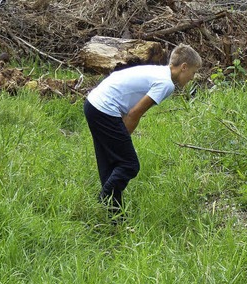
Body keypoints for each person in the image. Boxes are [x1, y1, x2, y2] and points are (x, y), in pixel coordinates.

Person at [84, 44, 202, 221]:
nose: (192, 78)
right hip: (104, 109)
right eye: (192, 73)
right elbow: (135, 113)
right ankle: (104, 197)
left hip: (93, 103)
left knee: (110, 164)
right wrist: (123, 140)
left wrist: (119, 141)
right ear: (184, 67)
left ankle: (116, 218)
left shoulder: (158, 72)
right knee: (129, 164)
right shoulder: (166, 84)